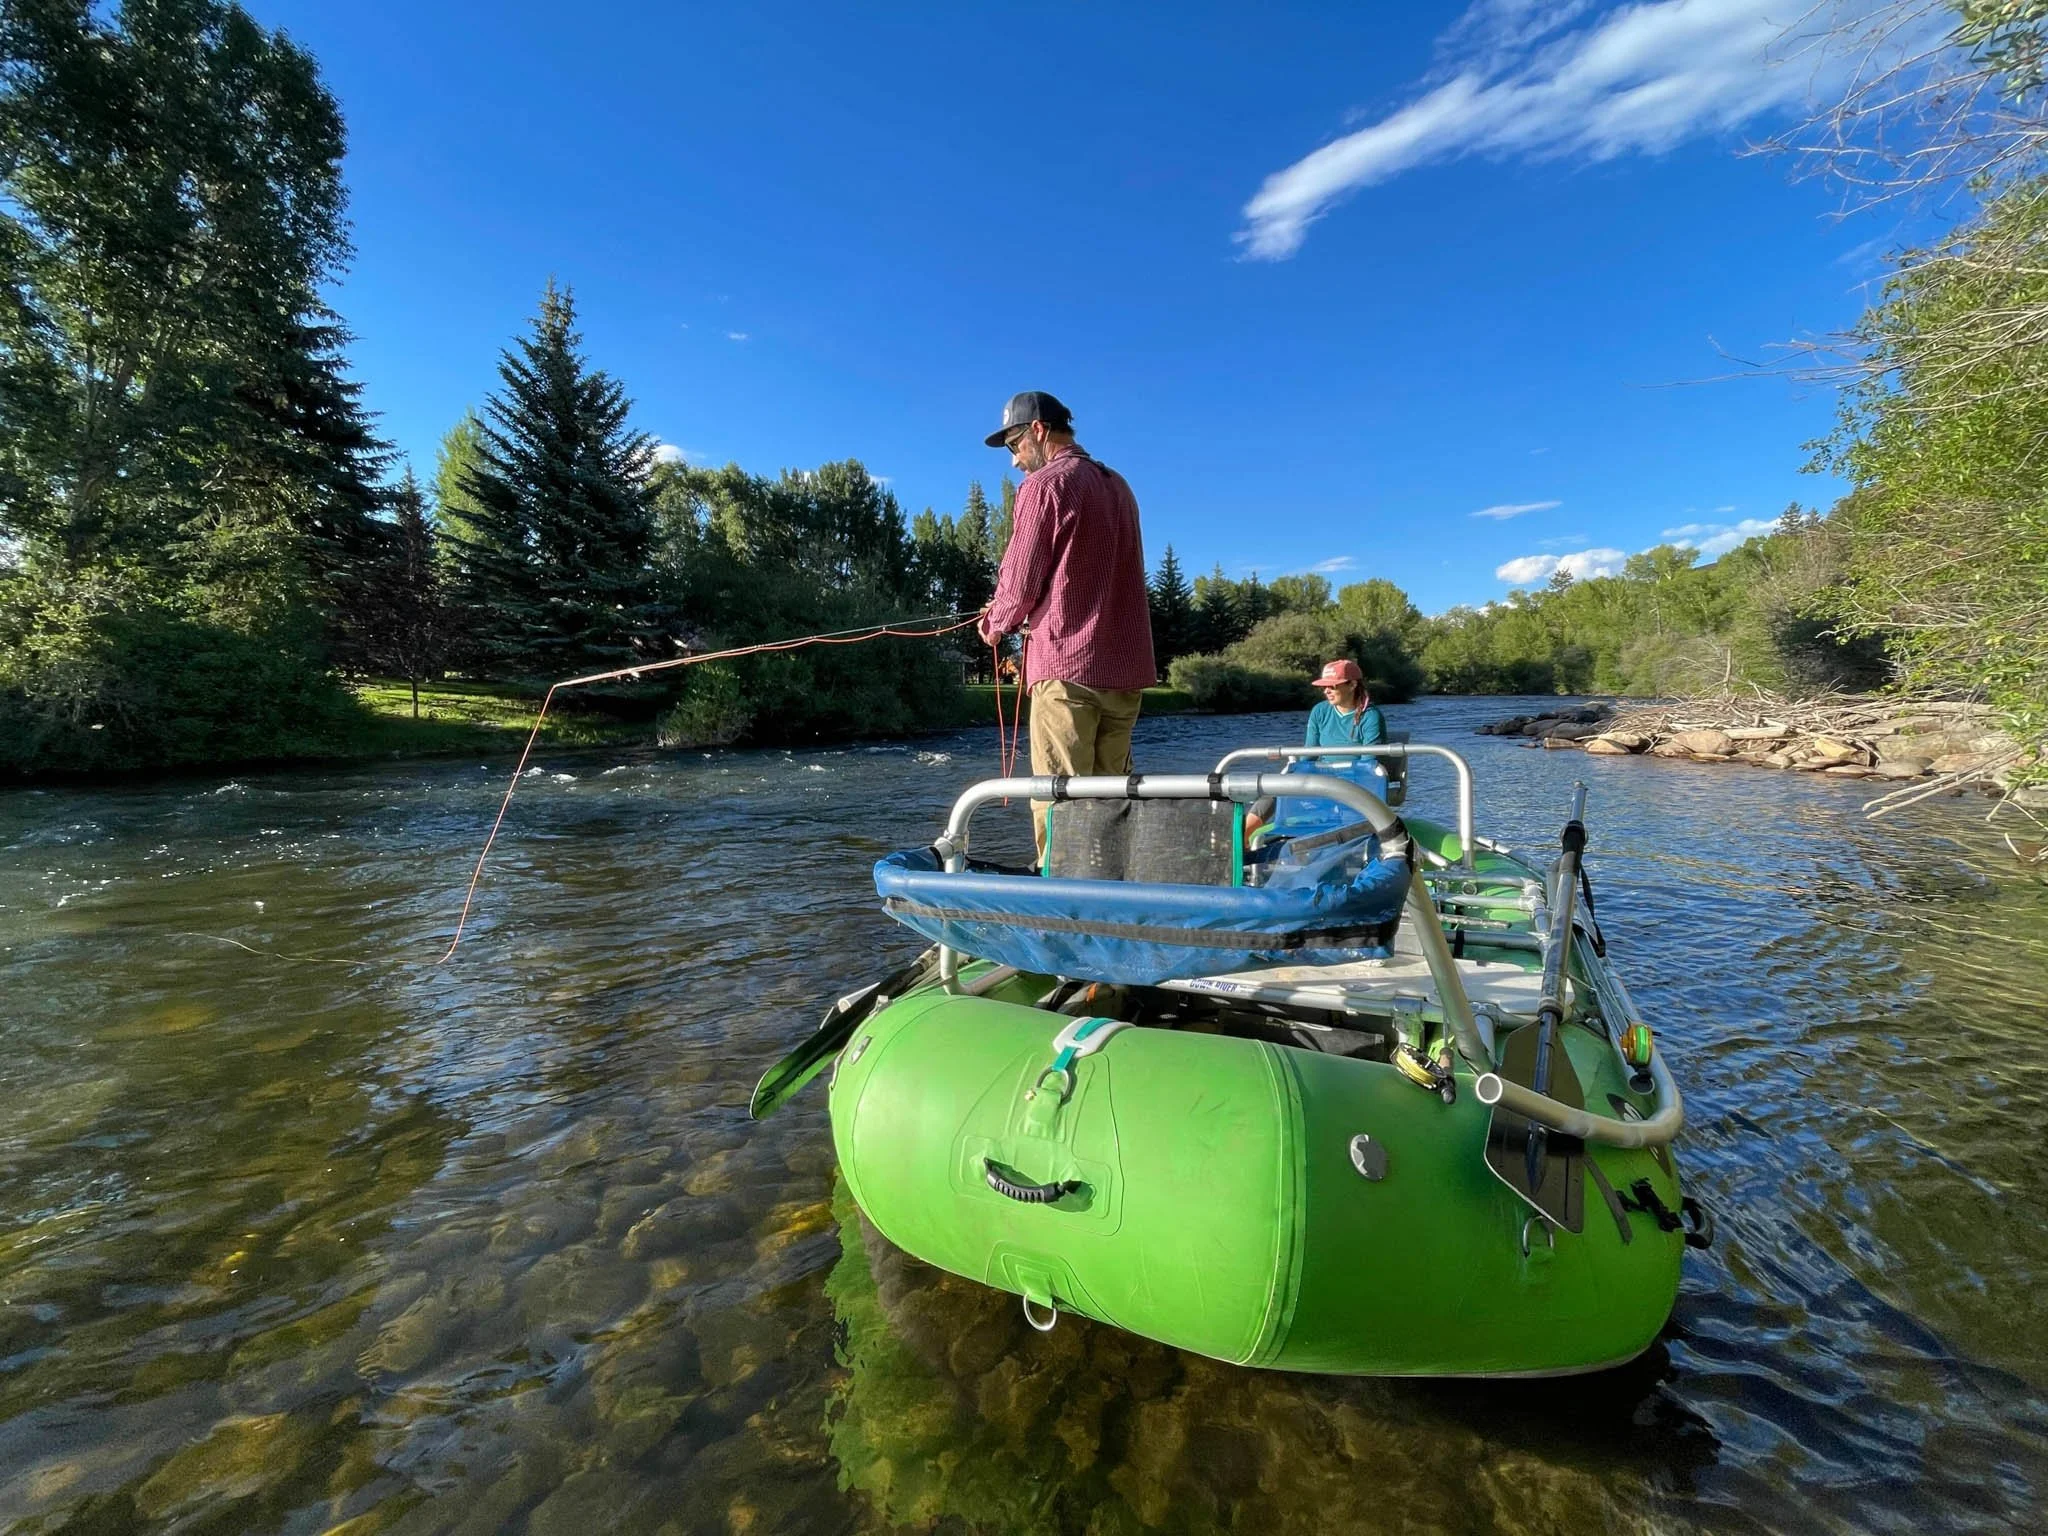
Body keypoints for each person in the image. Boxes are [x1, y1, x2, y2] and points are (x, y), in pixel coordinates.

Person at [976, 391, 1156, 855]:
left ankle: (1063, 908)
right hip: (1124, 672)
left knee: (1060, 801)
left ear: (1038, 430)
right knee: (1112, 801)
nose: (1015, 462)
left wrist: (995, 622)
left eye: (1014, 446)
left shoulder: (1044, 486)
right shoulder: (1119, 486)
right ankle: (1113, 897)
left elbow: (1020, 580)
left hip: (1067, 669)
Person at [1305, 658, 1384, 747]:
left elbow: (1369, 759)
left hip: (1363, 761)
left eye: (1332, 686)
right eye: (1324, 687)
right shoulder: (1319, 711)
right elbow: (1309, 753)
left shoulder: (1370, 715)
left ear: (1352, 685)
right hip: (1325, 762)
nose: (1326, 691)